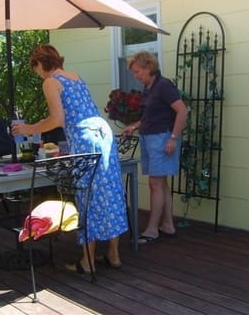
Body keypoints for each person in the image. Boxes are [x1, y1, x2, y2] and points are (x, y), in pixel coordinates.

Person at [12, 44, 127, 273]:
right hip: (103, 134)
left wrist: (28, 128)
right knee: (110, 192)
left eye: (35, 68)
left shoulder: (50, 81)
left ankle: (88, 261)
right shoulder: (75, 77)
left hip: (85, 139)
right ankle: (113, 255)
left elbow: (57, 119)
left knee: (87, 197)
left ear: (39, 64)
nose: (37, 74)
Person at [122, 51, 187, 244]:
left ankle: (152, 230)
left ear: (148, 67)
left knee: (155, 184)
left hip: (162, 139)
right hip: (150, 138)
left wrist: (173, 138)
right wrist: (133, 126)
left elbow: (182, 111)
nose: (136, 76)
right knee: (161, 183)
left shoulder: (164, 85)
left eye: (137, 71)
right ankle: (168, 225)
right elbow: (150, 116)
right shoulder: (149, 87)